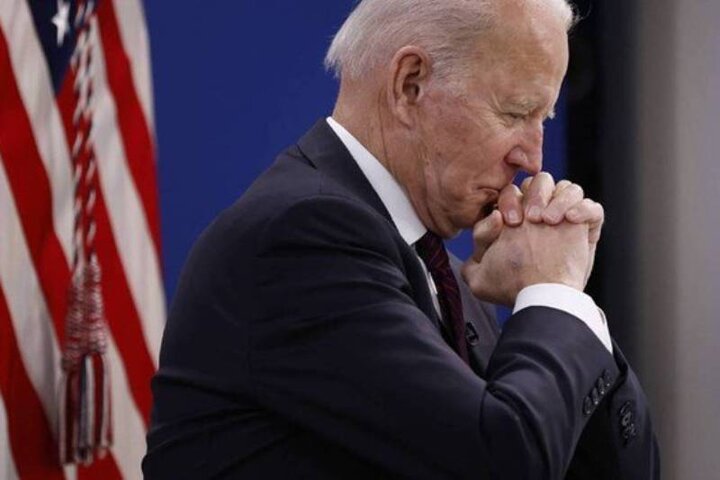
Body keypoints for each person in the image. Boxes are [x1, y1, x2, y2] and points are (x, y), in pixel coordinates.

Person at [143, 0, 660, 478]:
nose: (533, 159)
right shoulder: (301, 238)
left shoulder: (443, 273)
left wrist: (568, 308)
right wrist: (555, 294)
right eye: (515, 112)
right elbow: (504, 460)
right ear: (410, 85)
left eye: (543, 119)